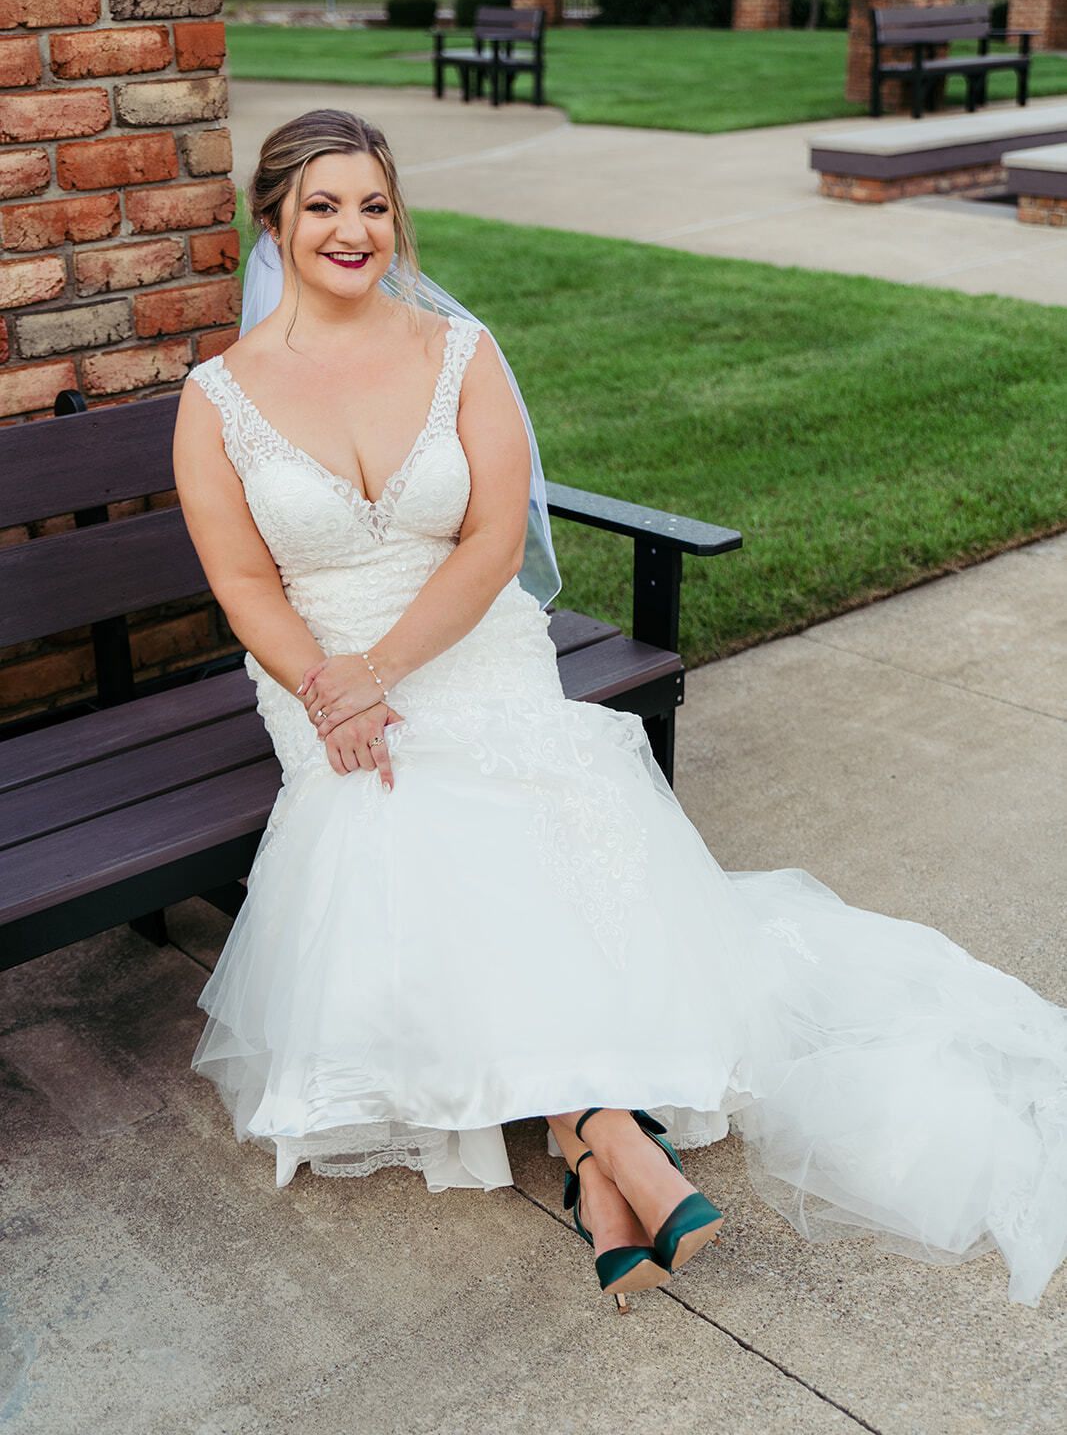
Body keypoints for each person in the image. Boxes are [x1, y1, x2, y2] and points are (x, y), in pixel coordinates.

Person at [173, 108, 1066, 1313]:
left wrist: (384, 670)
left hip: (466, 644)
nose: (353, 229)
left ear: (397, 216)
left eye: (373, 204)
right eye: (323, 205)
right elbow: (242, 582)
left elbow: (492, 540)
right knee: (409, 814)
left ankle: (596, 1149)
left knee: (500, 829)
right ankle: (611, 1143)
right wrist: (337, 689)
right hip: (316, 674)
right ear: (273, 219)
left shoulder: (455, 351)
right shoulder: (218, 395)